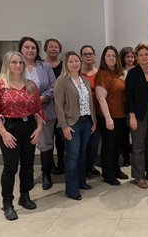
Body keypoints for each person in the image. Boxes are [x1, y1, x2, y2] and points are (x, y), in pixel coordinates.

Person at [0, 51, 46, 220]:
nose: (18, 66)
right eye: (14, 62)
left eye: (21, 63)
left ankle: (25, 196)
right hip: (10, 128)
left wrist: (38, 129)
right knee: (10, 167)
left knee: (28, 164)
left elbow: (38, 109)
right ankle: (7, 203)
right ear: (7, 64)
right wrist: (4, 134)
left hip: (29, 126)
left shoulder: (30, 85)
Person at [54, 51, 97, 200]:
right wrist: (64, 126)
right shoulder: (61, 81)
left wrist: (94, 121)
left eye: (76, 61)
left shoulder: (84, 80)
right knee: (72, 156)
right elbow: (58, 106)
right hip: (71, 123)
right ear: (66, 64)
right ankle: (71, 190)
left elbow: (90, 102)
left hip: (86, 121)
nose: (74, 64)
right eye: (71, 61)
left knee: (82, 154)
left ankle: (81, 182)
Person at [18, 36, 57, 191]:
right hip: (22, 114)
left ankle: (46, 175)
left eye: (33, 47)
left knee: (45, 144)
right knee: (26, 146)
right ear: (20, 49)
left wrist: (40, 99)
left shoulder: (45, 66)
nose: (30, 50)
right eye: (27, 47)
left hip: (44, 110)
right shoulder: (16, 67)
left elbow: (54, 86)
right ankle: (28, 176)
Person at [125, 43, 148, 189]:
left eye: (146, 54)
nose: (144, 57)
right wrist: (132, 117)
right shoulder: (133, 73)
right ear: (136, 57)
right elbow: (129, 97)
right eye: (141, 55)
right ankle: (139, 176)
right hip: (138, 114)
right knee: (138, 146)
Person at [95, 45, 128, 186]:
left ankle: (116, 170)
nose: (111, 58)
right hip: (108, 117)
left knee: (117, 146)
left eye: (113, 56)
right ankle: (108, 175)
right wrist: (108, 118)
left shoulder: (118, 74)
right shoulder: (102, 74)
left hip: (121, 116)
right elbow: (101, 98)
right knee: (109, 146)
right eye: (108, 55)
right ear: (104, 58)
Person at [44, 38, 65, 175]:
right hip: (46, 108)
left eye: (56, 47)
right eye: (51, 46)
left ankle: (61, 163)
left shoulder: (64, 66)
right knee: (47, 139)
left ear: (59, 50)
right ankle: (49, 164)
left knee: (62, 138)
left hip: (62, 109)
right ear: (45, 48)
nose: (53, 49)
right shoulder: (40, 66)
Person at [80, 45, 101, 176]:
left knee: (94, 142)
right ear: (81, 57)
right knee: (83, 143)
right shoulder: (76, 74)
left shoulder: (99, 73)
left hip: (97, 112)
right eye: (85, 54)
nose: (88, 56)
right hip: (82, 114)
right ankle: (81, 168)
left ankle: (91, 165)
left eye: (91, 54)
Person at [119, 46, 135, 167]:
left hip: (135, 106)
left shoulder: (138, 70)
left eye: (132, 56)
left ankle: (135, 156)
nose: (130, 59)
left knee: (135, 134)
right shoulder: (119, 71)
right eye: (127, 57)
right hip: (122, 106)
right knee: (124, 135)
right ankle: (125, 157)